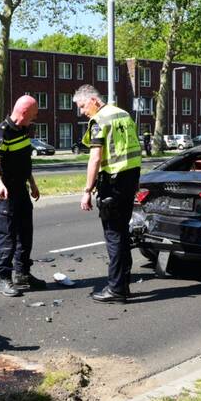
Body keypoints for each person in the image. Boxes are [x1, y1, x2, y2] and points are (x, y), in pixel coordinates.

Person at [75, 85, 142, 303]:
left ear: (94, 100)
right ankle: (123, 285)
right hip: (129, 179)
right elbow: (135, 150)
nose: (82, 111)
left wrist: (87, 190)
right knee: (122, 234)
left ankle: (116, 289)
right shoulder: (123, 114)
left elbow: (95, 159)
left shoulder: (100, 120)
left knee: (114, 236)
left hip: (112, 183)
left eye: (83, 105)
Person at [0, 95, 46, 297]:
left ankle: (23, 274)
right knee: (7, 237)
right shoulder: (2, 132)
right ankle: (5, 278)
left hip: (22, 191)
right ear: (23, 113)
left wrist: (33, 183)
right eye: (33, 114)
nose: (35, 118)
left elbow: (23, 162)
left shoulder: (23, 130)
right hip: (6, 194)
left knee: (25, 235)